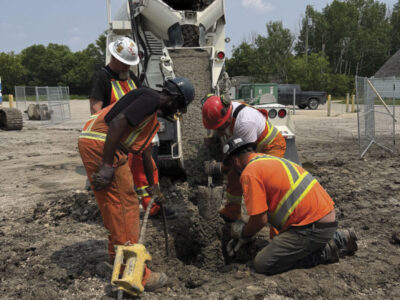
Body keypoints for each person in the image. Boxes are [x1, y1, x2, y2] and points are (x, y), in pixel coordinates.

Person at [78, 77, 195, 290]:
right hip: (102, 145)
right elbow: (117, 122)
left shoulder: (148, 116)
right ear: (174, 99)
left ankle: (118, 261)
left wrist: (154, 186)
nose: (177, 113)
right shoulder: (150, 97)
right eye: (179, 107)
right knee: (126, 207)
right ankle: (135, 274)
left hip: (98, 143)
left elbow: (146, 155)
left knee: (114, 207)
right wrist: (106, 165)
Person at [222, 137, 358, 275]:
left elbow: (260, 220)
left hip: (312, 228)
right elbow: (264, 211)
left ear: (235, 161)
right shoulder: (268, 160)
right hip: (324, 219)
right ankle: (339, 237)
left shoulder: (250, 172)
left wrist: (243, 234)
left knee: (263, 264)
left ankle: (327, 249)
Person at [88, 36, 175, 218]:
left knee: (147, 169)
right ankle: (122, 213)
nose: (128, 68)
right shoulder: (102, 78)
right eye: (125, 64)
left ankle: (153, 207)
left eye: (130, 64)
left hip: (134, 135)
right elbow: (96, 111)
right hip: (115, 137)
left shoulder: (130, 77)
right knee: (121, 178)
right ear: (115, 58)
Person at [202, 95, 287, 222]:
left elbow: (242, 159)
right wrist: (215, 136)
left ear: (227, 115)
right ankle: (231, 212)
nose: (219, 129)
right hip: (250, 145)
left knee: (267, 183)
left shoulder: (245, 122)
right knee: (234, 175)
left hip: (270, 146)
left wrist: (220, 167)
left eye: (220, 126)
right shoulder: (227, 112)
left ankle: (273, 224)